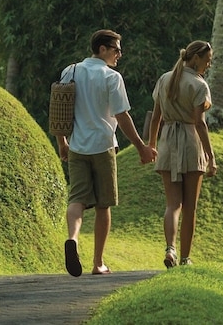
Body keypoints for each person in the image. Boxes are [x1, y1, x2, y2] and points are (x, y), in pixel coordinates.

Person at [55, 29, 156, 277]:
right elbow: (122, 116)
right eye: (116, 49)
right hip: (103, 146)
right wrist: (141, 146)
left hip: (77, 146)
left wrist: (62, 143)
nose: (119, 55)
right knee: (103, 205)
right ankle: (98, 263)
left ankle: (73, 239)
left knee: (76, 199)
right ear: (102, 49)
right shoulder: (112, 77)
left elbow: (59, 110)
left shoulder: (71, 71)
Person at [147, 40, 217, 268]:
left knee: (172, 204)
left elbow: (156, 117)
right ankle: (185, 258)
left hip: (167, 142)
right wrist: (211, 156)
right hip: (190, 144)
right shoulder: (199, 85)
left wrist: (152, 145)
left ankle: (170, 249)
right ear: (196, 58)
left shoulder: (165, 79)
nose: (208, 65)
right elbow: (199, 123)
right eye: (207, 60)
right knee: (190, 207)